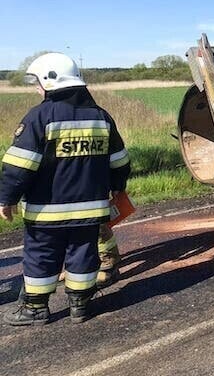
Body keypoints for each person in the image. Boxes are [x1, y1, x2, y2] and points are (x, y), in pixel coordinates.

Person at [0, 52, 131, 326]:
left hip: (46, 214)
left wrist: (6, 198)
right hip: (90, 211)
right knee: (84, 255)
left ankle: (35, 310)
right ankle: (80, 305)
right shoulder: (101, 117)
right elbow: (119, 161)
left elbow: (19, 167)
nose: (36, 88)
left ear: (50, 80)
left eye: (37, 82)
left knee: (40, 258)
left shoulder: (39, 117)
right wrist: (118, 189)